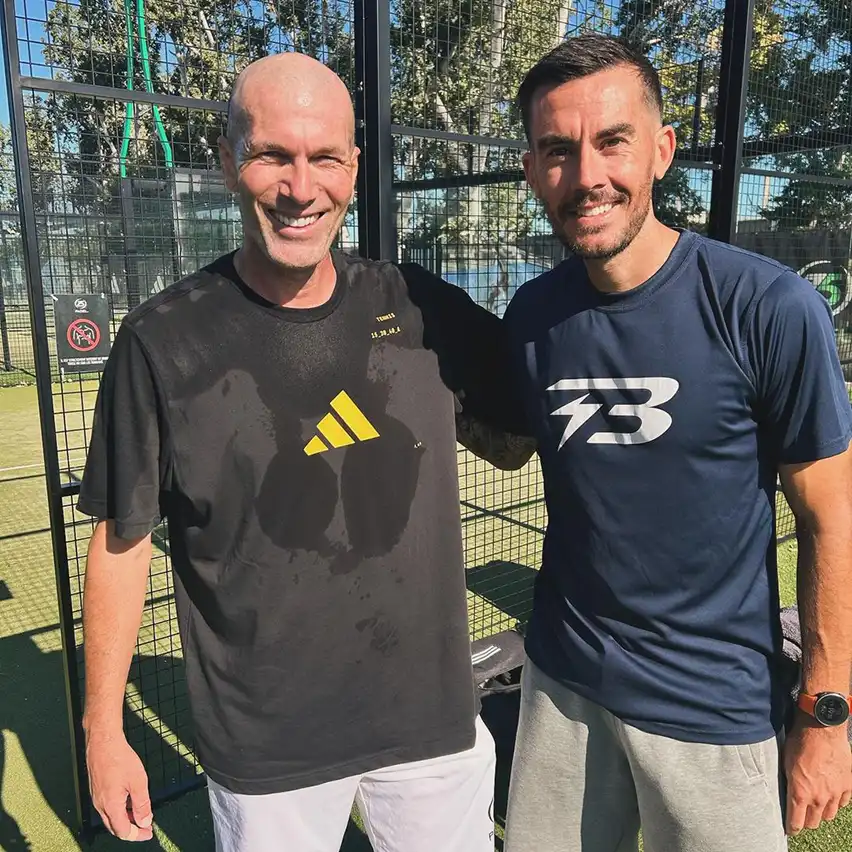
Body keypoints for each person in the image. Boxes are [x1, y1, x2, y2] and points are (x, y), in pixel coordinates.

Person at [77, 52, 533, 851]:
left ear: (353, 167)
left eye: (324, 157)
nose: (300, 187)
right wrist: (102, 729)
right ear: (228, 162)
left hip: (432, 722)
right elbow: (122, 542)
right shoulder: (162, 343)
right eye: (271, 156)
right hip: (268, 749)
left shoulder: (419, 306)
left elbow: (536, 419)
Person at [502, 33, 852, 852]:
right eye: (558, 150)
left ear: (661, 151)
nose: (587, 175)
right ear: (532, 171)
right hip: (562, 687)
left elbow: (832, 518)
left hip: (713, 709)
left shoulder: (768, 307)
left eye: (612, 141)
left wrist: (826, 715)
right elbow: (508, 440)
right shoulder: (533, 316)